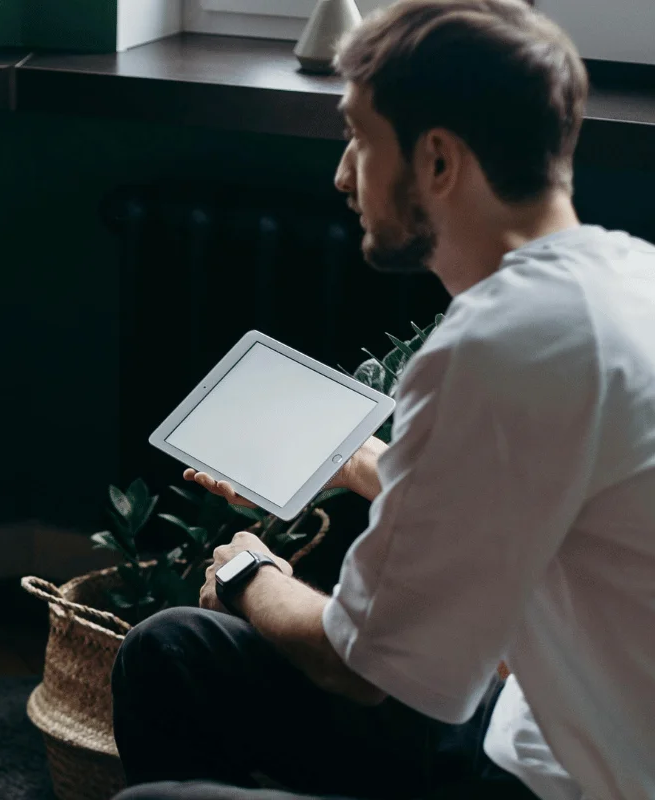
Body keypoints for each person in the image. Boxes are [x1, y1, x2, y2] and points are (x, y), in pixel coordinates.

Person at [110, 1, 655, 799]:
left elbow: (359, 666)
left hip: (563, 784)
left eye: (358, 138)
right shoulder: (626, 278)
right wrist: (368, 464)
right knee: (173, 651)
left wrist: (247, 575)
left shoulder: (492, 345)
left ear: (437, 161)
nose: (341, 174)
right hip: (535, 729)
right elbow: (528, 494)